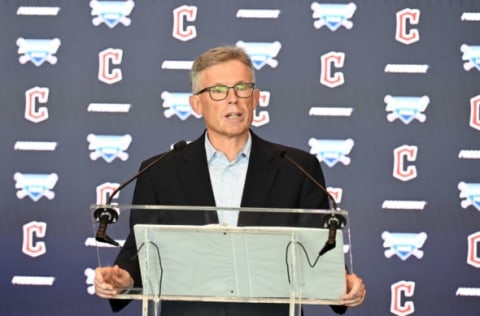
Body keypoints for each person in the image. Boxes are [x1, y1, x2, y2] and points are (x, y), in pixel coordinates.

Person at [95, 45, 366, 315]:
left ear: (256, 98)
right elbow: (141, 250)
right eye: (219, 91)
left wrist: (340, 283)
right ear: (196, 103)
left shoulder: (297, 168)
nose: (233, 99)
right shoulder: (158, 171)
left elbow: (319, 248)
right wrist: (124, 279)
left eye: (242, 88)